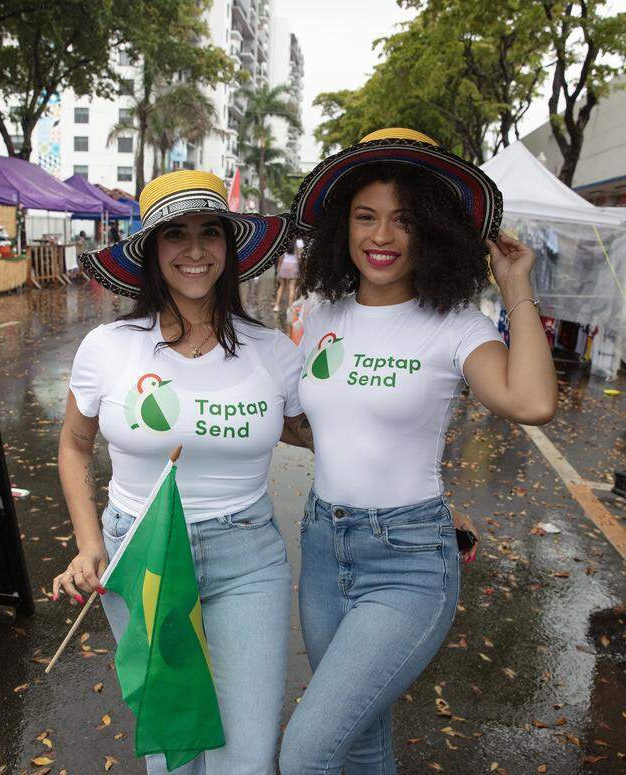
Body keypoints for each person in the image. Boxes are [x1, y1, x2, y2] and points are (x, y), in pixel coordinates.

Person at [279, 128, 558, 774]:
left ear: (429, 228)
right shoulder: (322, 314)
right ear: (343, 226)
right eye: (366, 216)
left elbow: (532, 400)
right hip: (324, 549)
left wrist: (516, 286)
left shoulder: (455, 323)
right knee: (363, 741)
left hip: (408, 564)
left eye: (403, 220)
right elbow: (309, 424)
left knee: (306, 752)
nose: (382, 236)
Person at [51, 170, 303, 775]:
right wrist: (88, 547)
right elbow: (73, 445)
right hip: (142, 557)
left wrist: (423, 494)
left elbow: (332, 438)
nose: (195, 251)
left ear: (230, 247)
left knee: (243, 760)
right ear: (151, 251)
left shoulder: (273, 352)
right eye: (176, 234)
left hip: (248, 558)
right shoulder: (108, 346)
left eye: (210, 232)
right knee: (174, 751)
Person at [274, 237, 299, 312]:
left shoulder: (285, 241)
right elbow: (299, 256)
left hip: (284, 265)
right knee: (292, 287)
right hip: (293, 265)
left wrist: (278, 268)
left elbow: (281, 257)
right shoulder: (299, 242)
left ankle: (276, 305)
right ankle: (290, 307)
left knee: (281, 286)